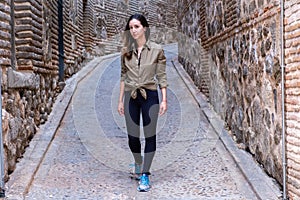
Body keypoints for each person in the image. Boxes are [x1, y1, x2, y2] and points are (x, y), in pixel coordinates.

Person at [117, 13, 167, 192]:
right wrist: (120, 100)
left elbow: (161, 75)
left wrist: (164, 99)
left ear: (144, 28)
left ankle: (145, 174)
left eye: (137, 27)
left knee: (150, 135)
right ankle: (138, 161)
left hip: (150, 96)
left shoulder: (156, 50)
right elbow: (123, 76)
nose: (134, 30)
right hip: (131, 96)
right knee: (132, 137)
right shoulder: (126, 52)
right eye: (131, 28)